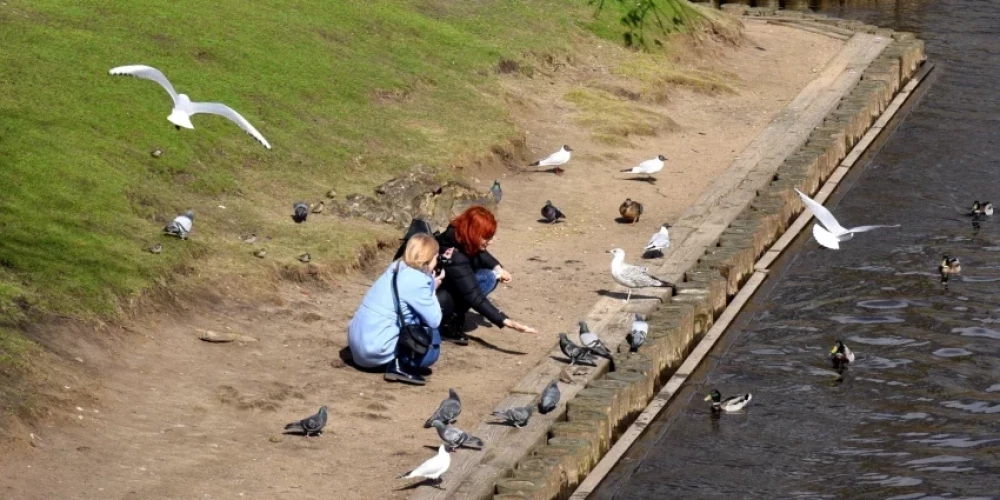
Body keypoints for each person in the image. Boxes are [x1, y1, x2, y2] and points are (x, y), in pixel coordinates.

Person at [348, 234, 445, 385]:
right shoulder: (417, 280)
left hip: (357, 344)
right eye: (436, 257)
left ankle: (392, 357)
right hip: (373, 350)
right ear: (428, 258)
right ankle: (400, 365)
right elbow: (435, 320)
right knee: (432, 345)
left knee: (406, 312)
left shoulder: (395, 267)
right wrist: (432, 288)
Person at [435, 206, 537, 345]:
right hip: (437, 298)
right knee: (487, 278)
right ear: (473, 234)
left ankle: (454, 314)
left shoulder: (458, 235)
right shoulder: (454, 255)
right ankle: (447, 323)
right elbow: (474, 295)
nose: (492, 241)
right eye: (487, 237)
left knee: (491, 275)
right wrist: (505, 320)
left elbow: (480, 253)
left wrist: (498, 268)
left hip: (445, 286)